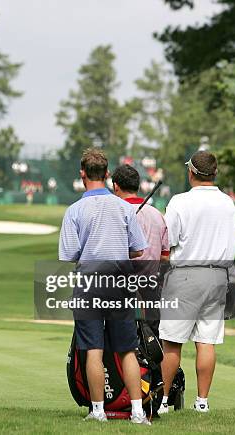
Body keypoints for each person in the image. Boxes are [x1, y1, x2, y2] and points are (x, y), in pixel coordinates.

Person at [59, 149, 150, 425]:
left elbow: (69, 255)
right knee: (126, 350)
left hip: (89, 284)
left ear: (82, 174)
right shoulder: (125, 207)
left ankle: (98, 411)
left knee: (93, 350)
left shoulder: (74, 210)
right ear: (108, 175)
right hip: (120, 283)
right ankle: (137, 412)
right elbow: (138, 250)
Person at [158, 151, 235, 414]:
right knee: (206, 341)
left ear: (191, 172)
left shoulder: (180, 201)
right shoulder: (228, 202)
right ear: (214, 173)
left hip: (186, 274)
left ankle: (164, 400)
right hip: (218, 276)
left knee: (172, 342)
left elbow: (167, 240)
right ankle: (202, 401)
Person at [112, 164, 169, 328]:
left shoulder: (114, 213)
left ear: (116, 186)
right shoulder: (157, 214)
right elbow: (165, 256)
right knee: (152, 346)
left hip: (120, 290)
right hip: (151, 289)